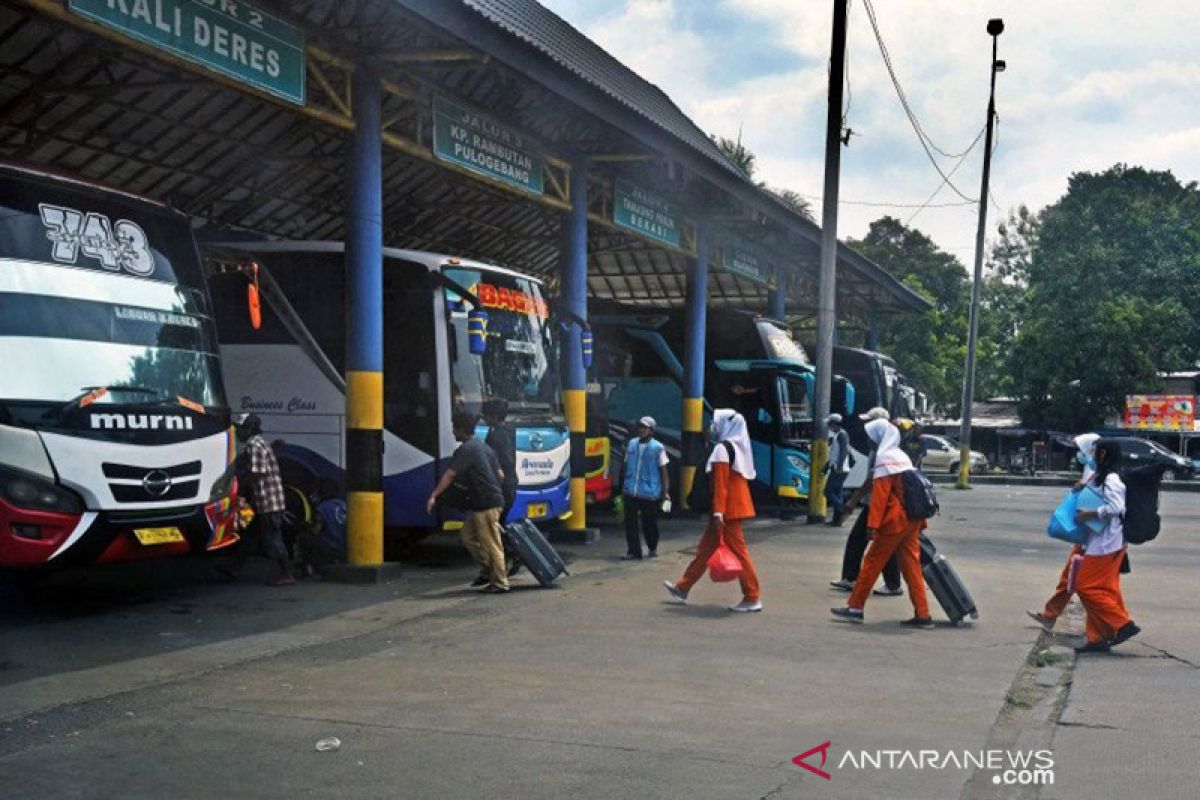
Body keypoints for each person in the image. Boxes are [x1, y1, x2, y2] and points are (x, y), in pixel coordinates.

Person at [831, 418, 932, 627]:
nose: (870, 442)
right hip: (913, 520)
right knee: (912, 568)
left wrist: (872, 525)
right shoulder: (901, 457)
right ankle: (923, 614)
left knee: (871, 563)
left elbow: (880, 496)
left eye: (872, 438)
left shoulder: (884, 459)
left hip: (895, 522)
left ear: (879, 438)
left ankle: (855, 608)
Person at [663, 410, 762, 612]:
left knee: (739, 553)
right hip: (732, 508)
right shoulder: (736, 446)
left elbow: (720, 485)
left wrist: (718, 513)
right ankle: (683, 587)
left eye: (716, 423)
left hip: (725, 511)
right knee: (706, 549)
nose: (712, 427)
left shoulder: (722, 450)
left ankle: (752, 596)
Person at [1069, 439, 1141, 653]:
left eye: (1095, 452)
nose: (1091, 455)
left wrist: (1090, 514)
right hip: (1100, 540)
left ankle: (1121, 624)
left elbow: (1116, 507)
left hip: (1107, 543)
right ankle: (1098, 636)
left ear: (1103, 455)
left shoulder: (1112, 478)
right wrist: (1082, 487)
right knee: (1105, 589)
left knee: (1085, 586)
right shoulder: (1101, 477)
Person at [427, 411, 510, 593]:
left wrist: (434, 495)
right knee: (467, 536)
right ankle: (487, 571)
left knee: (491, 543)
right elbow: (500, 475)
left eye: (454, 429)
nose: (452, 432)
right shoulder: (485, 448)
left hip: (486, 504)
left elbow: (450, 475)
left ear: (462, 430)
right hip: (487, 502)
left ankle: (500, 582)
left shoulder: (466, 449)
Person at [1027, 433, 1099, 631]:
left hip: (1095, 537)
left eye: (1082, 450)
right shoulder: (1090, 468)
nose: (1080, 454)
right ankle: (1050, 614)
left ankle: (1106, 624)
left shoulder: (1103, 471)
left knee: (1083, 582)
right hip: (1087, 535)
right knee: (1070, 577)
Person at [830, 407, 903, 596]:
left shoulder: (883, 452)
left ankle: (855, 580)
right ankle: (890, 583)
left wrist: (853, 501)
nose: (866, 428)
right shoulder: (879, 448)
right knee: (881, 544)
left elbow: (873, 481)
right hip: (878, 503)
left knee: (862, 540)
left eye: (870, 424)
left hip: (880, 504)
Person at [239, 414, 294, 586]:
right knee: (256, 535)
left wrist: (239, 485)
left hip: (268, 501)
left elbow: (257, 472)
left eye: (242, 428)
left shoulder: (255, 446)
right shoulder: (259, 443)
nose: (239, 432)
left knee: (272, 539)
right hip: (267, 500)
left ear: (250, 429)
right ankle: (238, 566)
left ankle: (287, 573)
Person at [620, 416, 669, 560]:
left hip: (649, 493)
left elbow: (663, 472)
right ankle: (634, 551)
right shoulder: (632, 444)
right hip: (631, 491)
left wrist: (664, 493)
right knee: (630, 524)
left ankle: (652, 546)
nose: (641, 430)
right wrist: (623, 486)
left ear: (651, 430)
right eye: (640, 427)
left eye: (645, 427)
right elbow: (626, 465)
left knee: (650, 524)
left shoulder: (658, 448)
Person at [482, 398, 518, 524]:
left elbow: (504, 462)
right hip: (511, 484)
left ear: (495, 417)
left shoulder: (497, 436)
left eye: (486, 417)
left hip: (503, 487)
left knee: (495, 524)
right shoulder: (509, 430)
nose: (484, 420)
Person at [824, 413, 852, 526]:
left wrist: (839, 466)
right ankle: (836, 520)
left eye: (830, 424)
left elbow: (843, 451)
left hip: (840, 469)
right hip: (837, 468)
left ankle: (841, 509)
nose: (829, 427)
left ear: (835, 424)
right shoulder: (838, 435)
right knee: (837, 492)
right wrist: (826, 467)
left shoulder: (842, 435)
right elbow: (834, 454)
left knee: (827, 491)